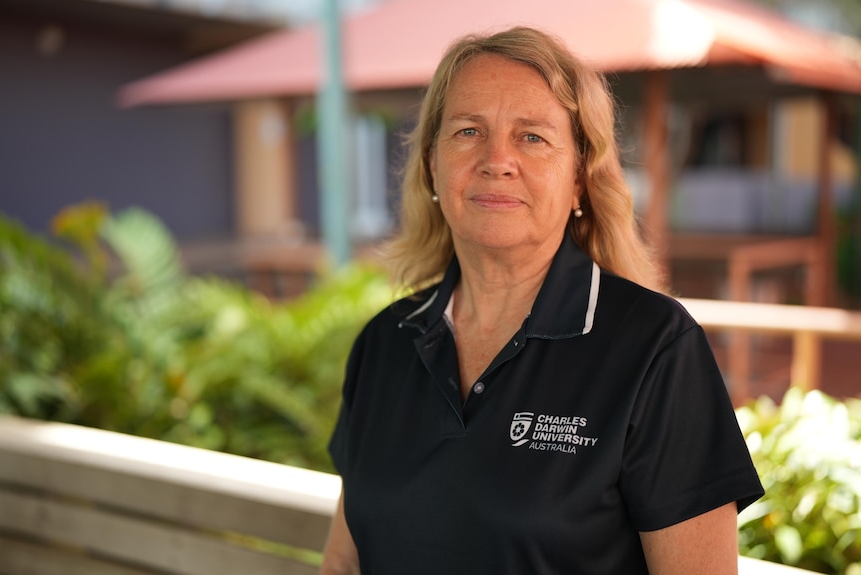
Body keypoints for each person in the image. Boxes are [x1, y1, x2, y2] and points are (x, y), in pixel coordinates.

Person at [320, 26, 764, 575]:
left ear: (579, 178)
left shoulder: (656, 348)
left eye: (532, 137)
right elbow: (343, 563)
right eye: (467, 131)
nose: (496, 159)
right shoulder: (384, 343)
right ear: (432, 164)